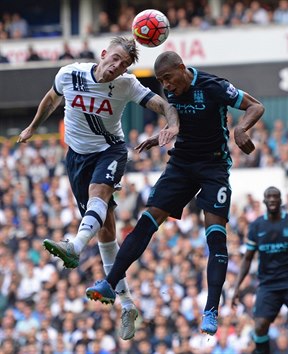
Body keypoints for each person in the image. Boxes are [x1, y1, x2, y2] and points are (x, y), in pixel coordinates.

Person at [85, 50, 265, 336]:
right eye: (161, 81)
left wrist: (241, 128)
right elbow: (179, 123)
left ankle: (211, 310)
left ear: (182, 68)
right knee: (147, 220)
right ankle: (109, 282)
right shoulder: (171, 91)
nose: (166, 85)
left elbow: (256, 106)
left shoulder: (213, 85)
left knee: (216, 235)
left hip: (213, 166)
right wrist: (162, 135)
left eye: (168, 78)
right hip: (181, 164)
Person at [17, 36, 180, 340]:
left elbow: (161, 104)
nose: (116, 66)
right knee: (106, 232)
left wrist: (172, 124)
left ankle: (75, 247)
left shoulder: (127, 85)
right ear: (103, 54)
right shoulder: (70, 74)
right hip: (76, 157)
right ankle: (127, 305)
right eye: (115, 58)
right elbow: (51, 98)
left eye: (123, 65)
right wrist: (33, 127)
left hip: (110, 150)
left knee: (99, 195)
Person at [230, 186, 288, 354]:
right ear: (264, 201)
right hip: (268, 284)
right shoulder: (256, 226)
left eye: (275, 197)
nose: (272, 199)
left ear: (281, 200)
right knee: (259, 326)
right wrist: (236, 287)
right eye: (269, 197)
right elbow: (247, 258)